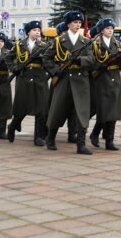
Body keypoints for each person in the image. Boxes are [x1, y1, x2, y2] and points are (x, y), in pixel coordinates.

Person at [43, 11, 96, 154]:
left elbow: (92, 60)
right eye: (74, 22)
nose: (77, 25)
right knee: (57, 110)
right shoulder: (59, 41)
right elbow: (47, 58)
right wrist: (55, 70)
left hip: (80, 80)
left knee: (82, 113)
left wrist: (80, 60)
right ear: (68, 24)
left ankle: (81, 144)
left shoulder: (85, 42)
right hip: (64, 79)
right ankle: (50, 138)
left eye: (79, 23)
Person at [5, 20, 49, 146]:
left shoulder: (44, 45)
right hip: (24, 78)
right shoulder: (19, 45)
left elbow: (50, 59)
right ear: (28, 32)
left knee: (41, 108)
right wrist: (14, 69)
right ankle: (12, 126)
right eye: (34, 30)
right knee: (22, 107)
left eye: (38, 30)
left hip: (40, 77)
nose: (37, 32)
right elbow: (8, 58)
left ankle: (38, 137)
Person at [89, 18, 121, 151]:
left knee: (114, 110)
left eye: (112, 28)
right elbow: (90, 61)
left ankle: (109, 141)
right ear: (101, 30)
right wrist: (99, 65)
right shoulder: (95, 44)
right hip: (101, 78)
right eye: (107, 28)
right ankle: (95, 133)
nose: (110, 30)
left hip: (115, 77)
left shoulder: (116, 43)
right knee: (104, 109)